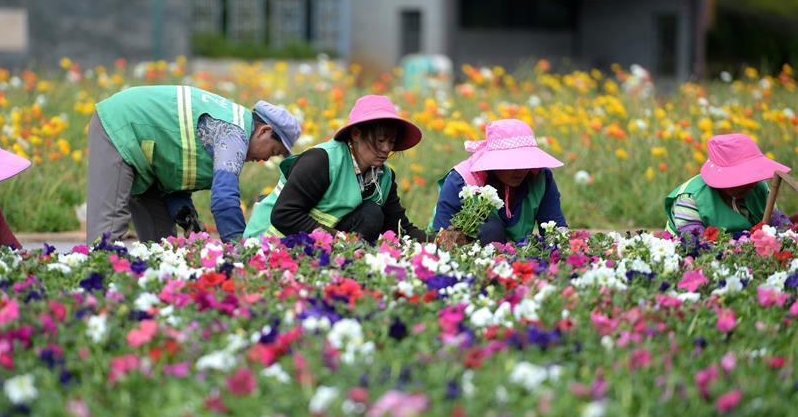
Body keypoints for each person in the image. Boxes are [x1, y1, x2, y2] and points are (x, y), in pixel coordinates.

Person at [87, 85, 301, 243]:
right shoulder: (234, 134)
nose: (265, 160)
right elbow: (224, 200)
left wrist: (185, 213)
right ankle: (94, 298)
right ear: (264, 131)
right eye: (273, 152)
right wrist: (238, 249)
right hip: (120, 125)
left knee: (163, 248)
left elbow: (174, 171)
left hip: (147, 159)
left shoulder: (231, 127)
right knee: (107, 235)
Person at [244, 94, 428, 243]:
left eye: (391, 141)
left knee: (371, 213)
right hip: (269, 242)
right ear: (356, 134)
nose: (387, 148)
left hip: (318, 242)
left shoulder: (383, 176)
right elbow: (285, 215)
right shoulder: (321, 160)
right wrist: (338, 240)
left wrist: (438, 241)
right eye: (380, 140)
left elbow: (399, 228)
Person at [431, 119, 567, 245]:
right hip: (472, 255)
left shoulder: (540, 178)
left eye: (525, 161)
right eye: (510, 163)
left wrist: (562, 250)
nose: (520, 170)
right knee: (491, 229)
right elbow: (442, 238)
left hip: (519, 255)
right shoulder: (461, 181)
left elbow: (554, 229)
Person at [664, 133, 792, 236]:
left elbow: (779, 223)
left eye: (752, 176)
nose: (751, 185)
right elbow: (693, 243)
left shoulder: (759, 188)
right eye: (741, 178)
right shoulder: (690, 198)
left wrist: (789, 235)